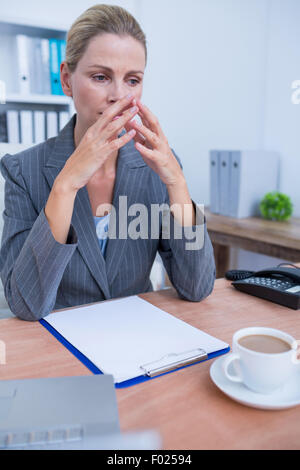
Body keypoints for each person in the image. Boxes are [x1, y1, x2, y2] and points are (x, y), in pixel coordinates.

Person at [0, 4, 215, 322]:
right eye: (100, 77)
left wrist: (177, 184)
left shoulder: (158, 167)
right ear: (67, 80)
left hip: (138, 342)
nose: (118, 95)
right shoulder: (23, 172)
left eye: (132, 80)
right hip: (59, 348)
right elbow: (25, 305)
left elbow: (196, 287)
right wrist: (66, 184)